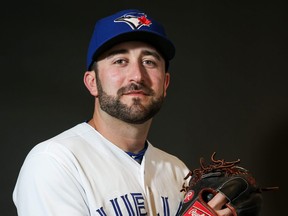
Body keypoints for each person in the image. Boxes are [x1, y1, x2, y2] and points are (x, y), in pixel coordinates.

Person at [13, 9, 233, 216]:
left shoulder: (177, 171)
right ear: (92, 83)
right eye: (120, 61)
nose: (136, 76)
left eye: (149, 62)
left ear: (165, 83)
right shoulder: (55, 162)